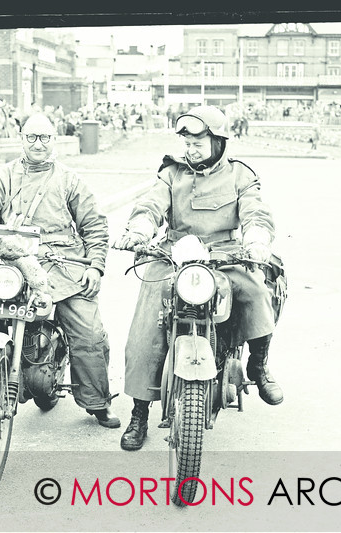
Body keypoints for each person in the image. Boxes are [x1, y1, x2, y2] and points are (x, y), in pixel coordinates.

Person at [113, 105, 284, 451]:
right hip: (174, 255)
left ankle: (258, 366)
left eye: (198, 143)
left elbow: (255, 211)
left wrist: (256, 241)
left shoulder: (240, 175)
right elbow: (151, 205)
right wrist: (139, 230)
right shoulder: (171, 174)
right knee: (146, 324)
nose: (190, 150)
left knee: (256, 291)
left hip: (225, 255)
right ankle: (140, 413)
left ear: (218, 142)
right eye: (186, 143)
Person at [0, 113, 118, 429]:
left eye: (45, 138)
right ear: (22, 139)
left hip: (62, 266)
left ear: (54, 140)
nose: (38, 144)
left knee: (88, 332)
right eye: (32, 137)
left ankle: (97, 401)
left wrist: (95, 265)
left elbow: (95, 224)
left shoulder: (69, 180)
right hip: (11, 264)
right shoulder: (2, 176)